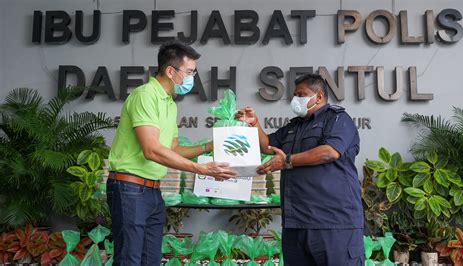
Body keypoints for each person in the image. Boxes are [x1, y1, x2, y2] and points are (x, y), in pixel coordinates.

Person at [107, 40, 236, 265]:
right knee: (130, 259)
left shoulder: (169, 103)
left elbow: (172, 149)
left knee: (151, 259)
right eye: (189, 72)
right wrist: (199, 168)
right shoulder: (145, 95)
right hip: (130, 188)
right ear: (170, 70)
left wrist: (208, 147)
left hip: (152, 191)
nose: (192, 78)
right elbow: (151, 149)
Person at [236, 74, 364, 265]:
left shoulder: (338, 120)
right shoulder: (294, 126)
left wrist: (287, 160)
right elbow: (267, 146)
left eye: (301, 94)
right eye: (294, 95)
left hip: (333, 224)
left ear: (319, 96)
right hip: (296, 224)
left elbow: (329, 152)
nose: (296, 99)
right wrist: (254, 124)